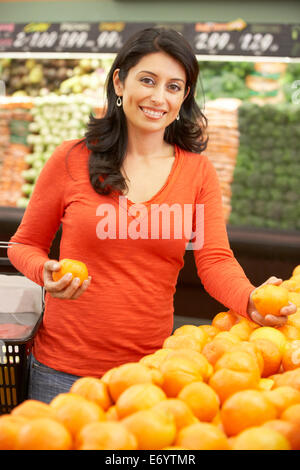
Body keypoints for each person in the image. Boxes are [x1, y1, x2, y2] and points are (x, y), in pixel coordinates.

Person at [8, 28, 296, 404]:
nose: (159, 97)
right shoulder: (72, 158)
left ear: (185, 96)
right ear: (119, 81)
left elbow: (214, 261)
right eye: (148, 80)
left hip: (154, 375)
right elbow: (24, 244)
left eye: (174, 86)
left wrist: (250, 299)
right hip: (63, 373)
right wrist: (43, 270)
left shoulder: (197, 171)